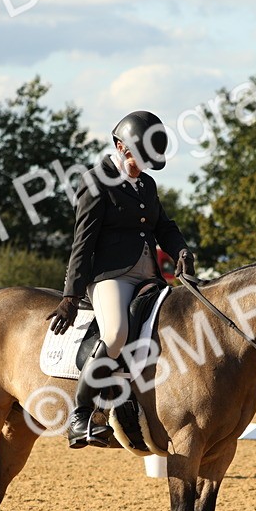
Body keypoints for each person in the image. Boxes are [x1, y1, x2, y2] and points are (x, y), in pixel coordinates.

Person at [47, 110, 195, 449]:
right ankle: (81, 416)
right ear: (120, 147)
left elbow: (163, 227)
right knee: (115, 335)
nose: (141, 168)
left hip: (150, 275)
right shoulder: (96, 181)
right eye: (137, 160)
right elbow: (82, 243)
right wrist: (70, 296)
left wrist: (181, 250)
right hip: (111, 276)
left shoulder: (146, 184)